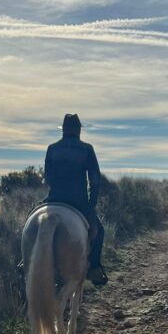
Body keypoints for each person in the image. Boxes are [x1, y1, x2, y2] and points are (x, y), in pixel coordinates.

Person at [43, 113, 108, 285]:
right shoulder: (86, 149)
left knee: (32, 218)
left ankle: (24, 260)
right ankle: (94, 268)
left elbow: (47, 177)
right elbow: (95, 179)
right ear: (78, 130)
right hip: (77, 201)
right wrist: (91, 204)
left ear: (63, 130)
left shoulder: (52, 148)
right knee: (99, 232)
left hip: (54, 198)